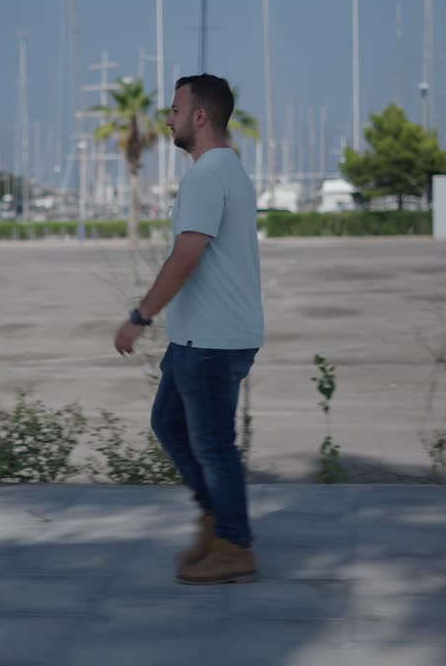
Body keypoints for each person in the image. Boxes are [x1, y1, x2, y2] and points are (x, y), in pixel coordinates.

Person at [113, 73, 264, 585]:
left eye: (175, 109)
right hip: (200, 337)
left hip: (213, 341)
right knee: (171, 424)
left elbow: (186, 257)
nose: (168, 118)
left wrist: (139, 318)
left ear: (200, 116)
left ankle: (235, 544)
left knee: (213, 443)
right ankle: (216, 519)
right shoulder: (228, 169)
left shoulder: (207, 176)